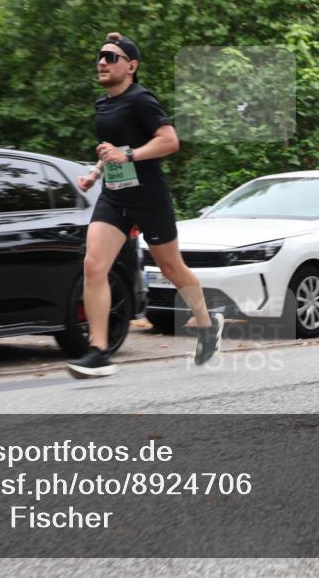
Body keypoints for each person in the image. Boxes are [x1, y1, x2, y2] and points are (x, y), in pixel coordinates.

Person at [67, 32, 225, 378]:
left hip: (149, 199)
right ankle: (98, 351)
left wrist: (128, 154)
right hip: (114, 196)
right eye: (100, 56)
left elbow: (169, 141)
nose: (102, 62)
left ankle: (206, 324)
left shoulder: (141, 100)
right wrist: (95, 173)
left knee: (172, 268)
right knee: (94, 266)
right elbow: (113, 146)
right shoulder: (103, 104)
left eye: (111, 57)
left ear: (131, 66)